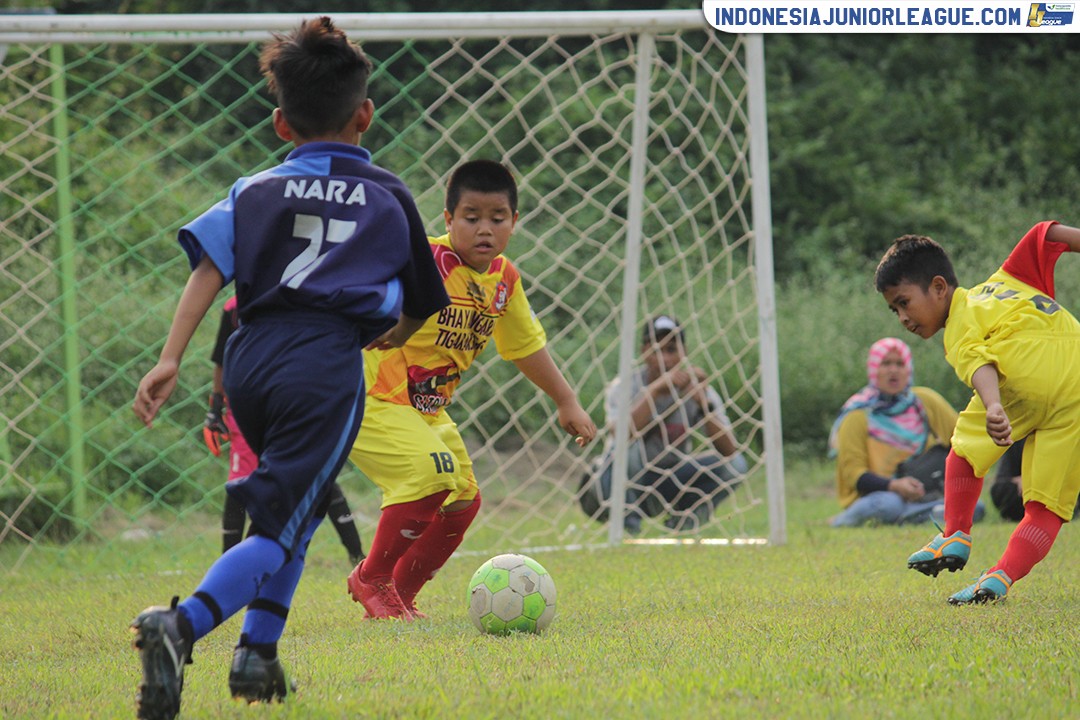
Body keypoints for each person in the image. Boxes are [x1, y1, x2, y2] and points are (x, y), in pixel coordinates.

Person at [129, 17, 450, 719]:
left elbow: (210, 271)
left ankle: (258, 654)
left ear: (281, 125)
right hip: (323, 362)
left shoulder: (254, 189)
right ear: (364, 113)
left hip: (249, 359)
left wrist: (170, 359)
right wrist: (383, 334)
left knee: (295, 512)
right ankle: (179, 629)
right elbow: (424, 303)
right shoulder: (389, 193)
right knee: (279, 523)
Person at [345, 159, 597, 620]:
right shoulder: (421, 259)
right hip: (371, 397)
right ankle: (371, 577)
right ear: (448, 219)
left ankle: (396, 595)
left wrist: (566, 400)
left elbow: (524, 347)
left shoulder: (504, 280)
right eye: (471, 217)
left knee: (463, 500)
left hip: (427, 409)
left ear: (514, 222)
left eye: (497, 218)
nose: (485, 229)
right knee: (432, 475)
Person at [875, 220, 1080, 604]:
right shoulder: (1012, 278)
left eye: (903, 302)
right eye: (893, 310)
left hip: (1024, 379)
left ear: (939, 287)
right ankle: (999, 578)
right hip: (1076, 392)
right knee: (1046, 506)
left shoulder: (962, 315)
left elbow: (979, 362)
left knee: (962, 453)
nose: (902, 317)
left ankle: (955, 534)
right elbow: (1044, 235)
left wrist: (994, 405)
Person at [203, 296, 366, 564]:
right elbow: (221, 359)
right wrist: (215, 406)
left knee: (317, 469)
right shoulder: (234, 307)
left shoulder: (304, 297)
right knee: (240, 480)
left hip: (294, 399)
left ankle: (357, 556)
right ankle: (227, 562)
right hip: (246, 404)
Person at [588, 315, 747, 534]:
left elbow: (729, 451)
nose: (663, 358)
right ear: (644, 351)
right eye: (656, 350)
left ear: (684, 352)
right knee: (622, 449)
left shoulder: (697, 388)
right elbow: (621, 436)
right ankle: (628, 530)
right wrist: (655, 392)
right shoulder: (625, 386)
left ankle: (684, 524)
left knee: (736, 465)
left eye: (671, 350)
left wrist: (702, 404)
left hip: (674, 477)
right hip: (629, 480)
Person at [827, 337, 981, 527]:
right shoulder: (857, 415)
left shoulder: (924, 401)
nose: (893, 370)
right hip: (880, 495)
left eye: (900, 364)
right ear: (874, 368)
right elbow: (855, 475)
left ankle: (911, 516)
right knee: (888, 505)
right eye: (886, 363)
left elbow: (963, 441)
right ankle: (844, 521)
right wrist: (895, 486)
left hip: (924, 492)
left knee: (976, 507)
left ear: (908, 368)